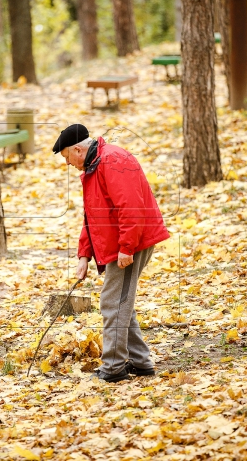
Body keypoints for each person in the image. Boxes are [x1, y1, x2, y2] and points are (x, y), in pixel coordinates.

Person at [53, 124, 170, 382]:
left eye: (66, 158)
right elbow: (93, 215)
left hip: (133, 242)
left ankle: (114, 367)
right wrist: (84, 254)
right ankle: (141, 363)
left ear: (77, 150)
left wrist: (126, 247)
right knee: (121, 302)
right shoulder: (94, 167)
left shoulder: (112, 160)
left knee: (112, 301)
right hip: (123, 242)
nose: (68, 164)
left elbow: (131, 207)